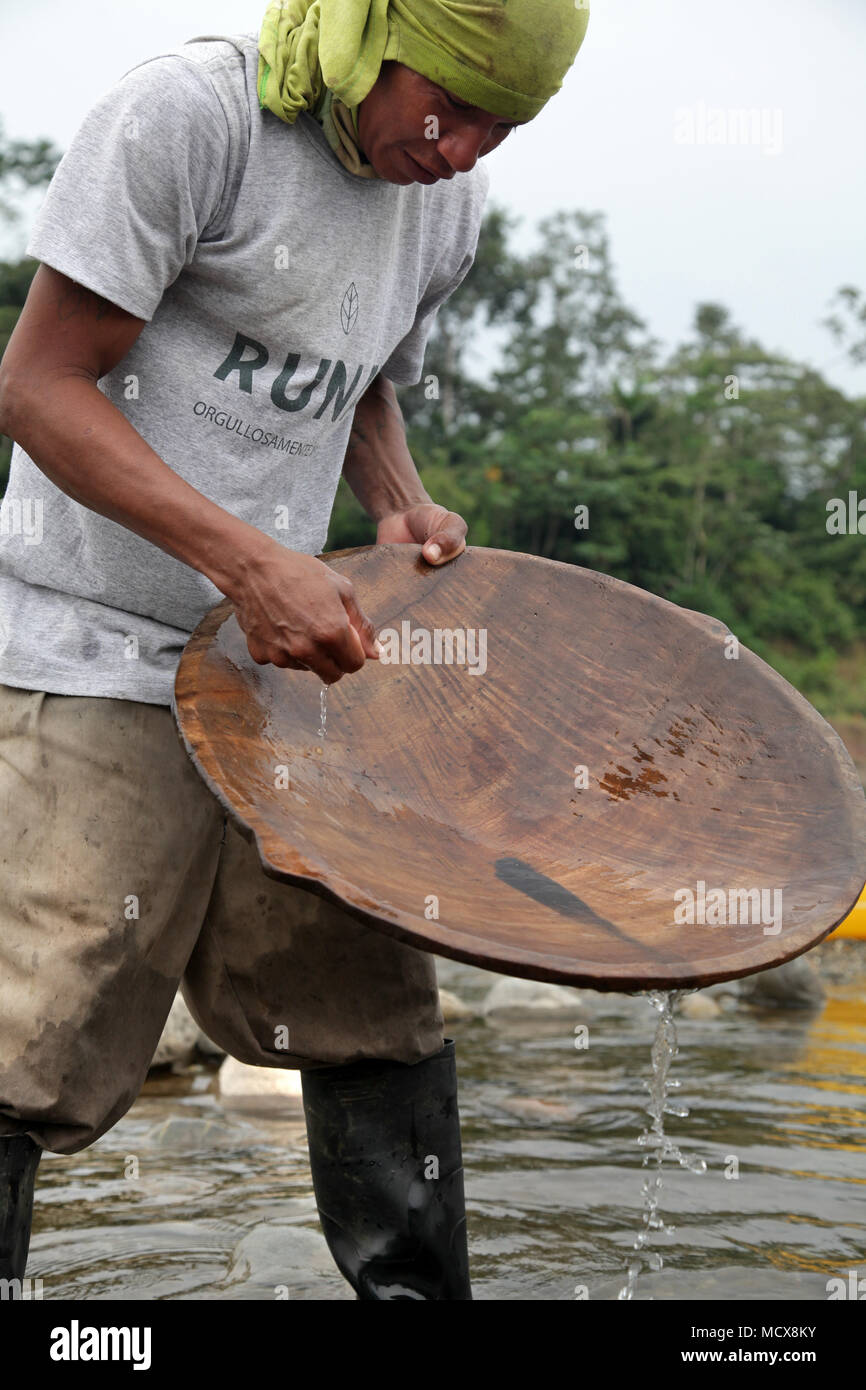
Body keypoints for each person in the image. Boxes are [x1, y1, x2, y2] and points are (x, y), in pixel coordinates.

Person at [0, 0, 589, 1300]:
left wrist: (395, 504)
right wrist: (249, 559)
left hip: (289, 670)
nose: (466, 148)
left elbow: (360, 376)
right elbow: (38, 386)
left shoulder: (441, 203)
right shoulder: (192, 120)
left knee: (371, 1011)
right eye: (454, 101)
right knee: (28, 1036)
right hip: (94, 645)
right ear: (375, 37)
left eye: (505, 123)